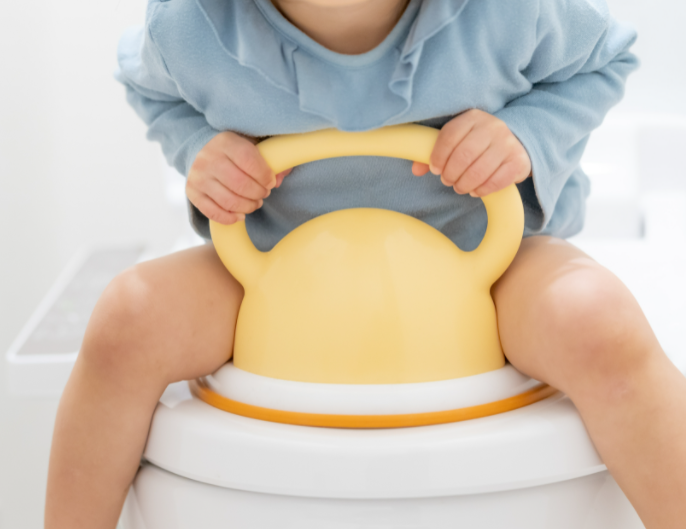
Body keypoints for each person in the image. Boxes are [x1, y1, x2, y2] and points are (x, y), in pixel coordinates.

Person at [45, 0, 686, 528]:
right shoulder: (191, 26)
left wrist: (526, 134)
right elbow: (151, 89)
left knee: (596, 321)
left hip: (482, 259)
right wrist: (200, 149)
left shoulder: (511, 12)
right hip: (274, 266)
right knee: (127, 319)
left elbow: (604, 58)